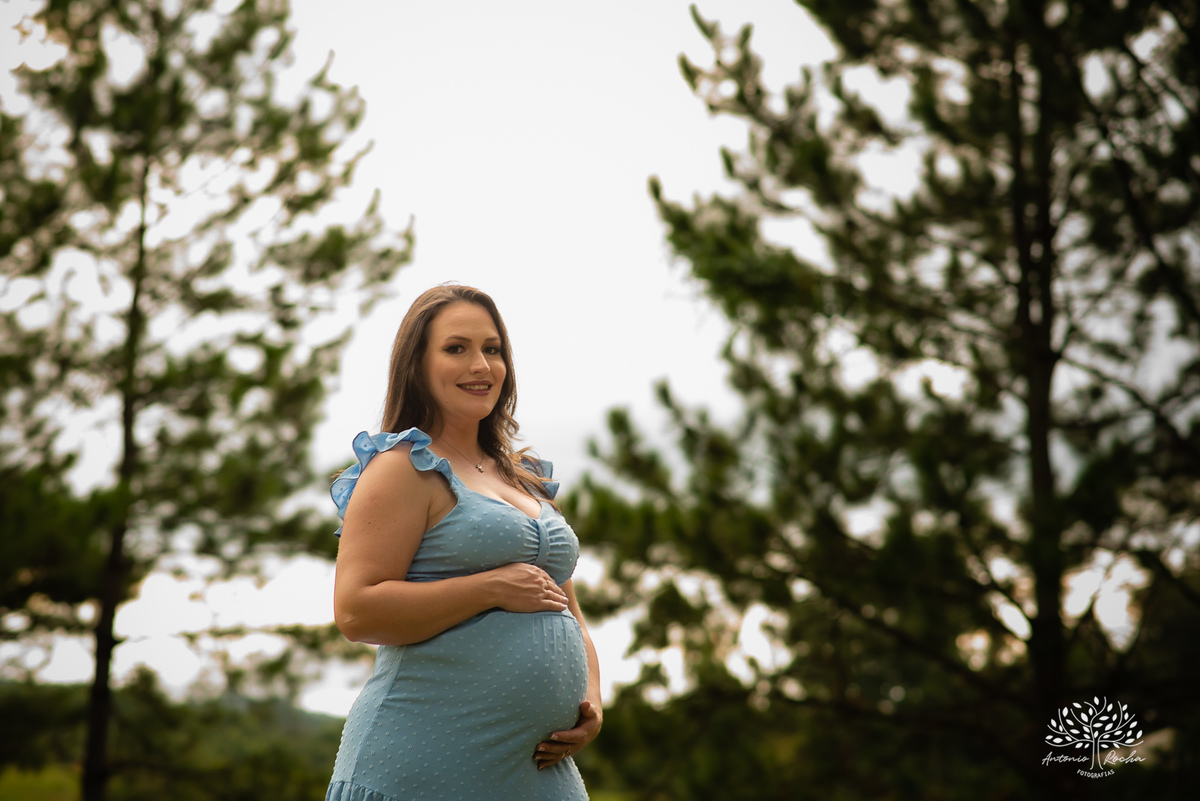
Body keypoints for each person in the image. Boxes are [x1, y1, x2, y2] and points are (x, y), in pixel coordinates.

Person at [324, 284, 601, 801]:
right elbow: (357, 611)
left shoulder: (524, 478)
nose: (481, 365)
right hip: (425, 760)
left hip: (538, 768)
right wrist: (489, 588)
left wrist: (591, 698)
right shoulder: (402, 468)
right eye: (457, 349)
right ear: (417, 365)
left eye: (492, 349)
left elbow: (565, 607)